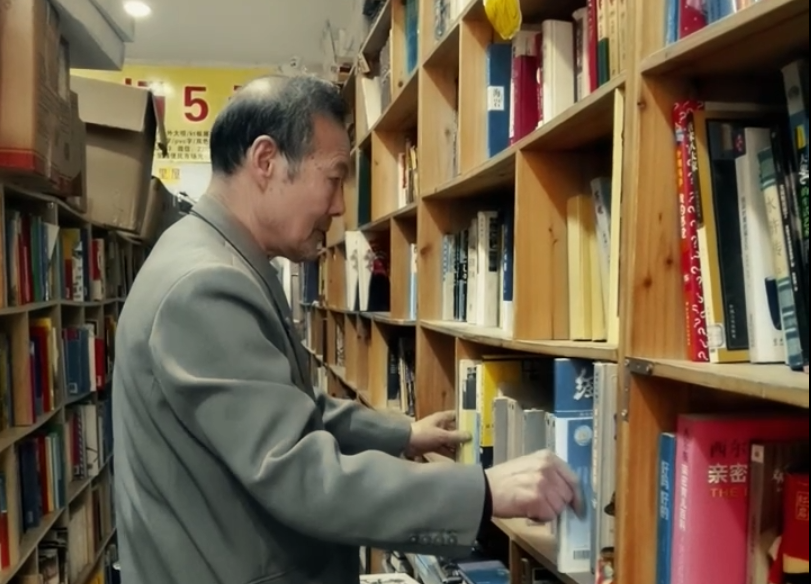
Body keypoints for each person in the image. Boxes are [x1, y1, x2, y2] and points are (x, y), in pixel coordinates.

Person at [112, 75, 584, 584]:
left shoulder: (211, 255)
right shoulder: (205, 285)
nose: (339, 206)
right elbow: (298, 471)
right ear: (266, 161)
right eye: (334, 178)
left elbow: (289, 405)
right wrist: (485, 492)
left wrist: (403, 433)